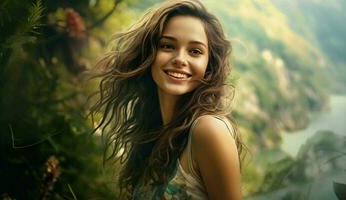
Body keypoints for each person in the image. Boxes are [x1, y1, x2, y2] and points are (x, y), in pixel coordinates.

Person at [92, 0, 244, 199]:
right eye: (167, 46)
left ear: (209, 66)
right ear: (149, 55)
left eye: (195, 51)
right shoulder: (153, 134)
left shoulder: (208, 130)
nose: (180, 59)